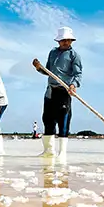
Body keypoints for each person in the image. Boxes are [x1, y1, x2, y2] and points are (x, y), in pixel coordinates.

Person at [32, 27, 82, 158]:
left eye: (68, 40)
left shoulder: (74, 55)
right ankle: (49, 151)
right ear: (58, 41)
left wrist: (73, 84)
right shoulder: (52, 52)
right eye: (63, 40)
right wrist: (39, 68)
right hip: (50, 91)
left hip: (64, 90)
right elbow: (47, 71)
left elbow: (78, 74)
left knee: (63, 120)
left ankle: (63, 153)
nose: (66, 42)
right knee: (47, 119)